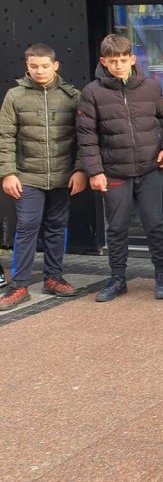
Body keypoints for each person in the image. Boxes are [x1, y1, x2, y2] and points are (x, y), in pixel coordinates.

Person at [77, 34, 163, 302]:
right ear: (103, 62)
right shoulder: (92, 92)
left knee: (155, 223)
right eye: (113, 61)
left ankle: (162, 275)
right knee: (117, 227)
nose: (119, 65)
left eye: (123, 59)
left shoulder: (150, 87)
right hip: (114, 171)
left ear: (132, 59)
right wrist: (95, 171)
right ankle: (118, 278)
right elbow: (87, 136)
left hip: (150, 167)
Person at [0, 44, 87, 310]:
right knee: (27, 227)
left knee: (57, 227)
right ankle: (19, 285)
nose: (39, 71)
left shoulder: (72, 96)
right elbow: (5, 137)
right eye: (34, 66)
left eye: (45, 66)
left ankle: (53, 278)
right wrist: (8, 173)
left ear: (55, 65)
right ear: (27, 66)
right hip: (27, 176)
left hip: (63, 175)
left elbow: (84, 137)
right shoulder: (15, 95)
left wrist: (80, 169)